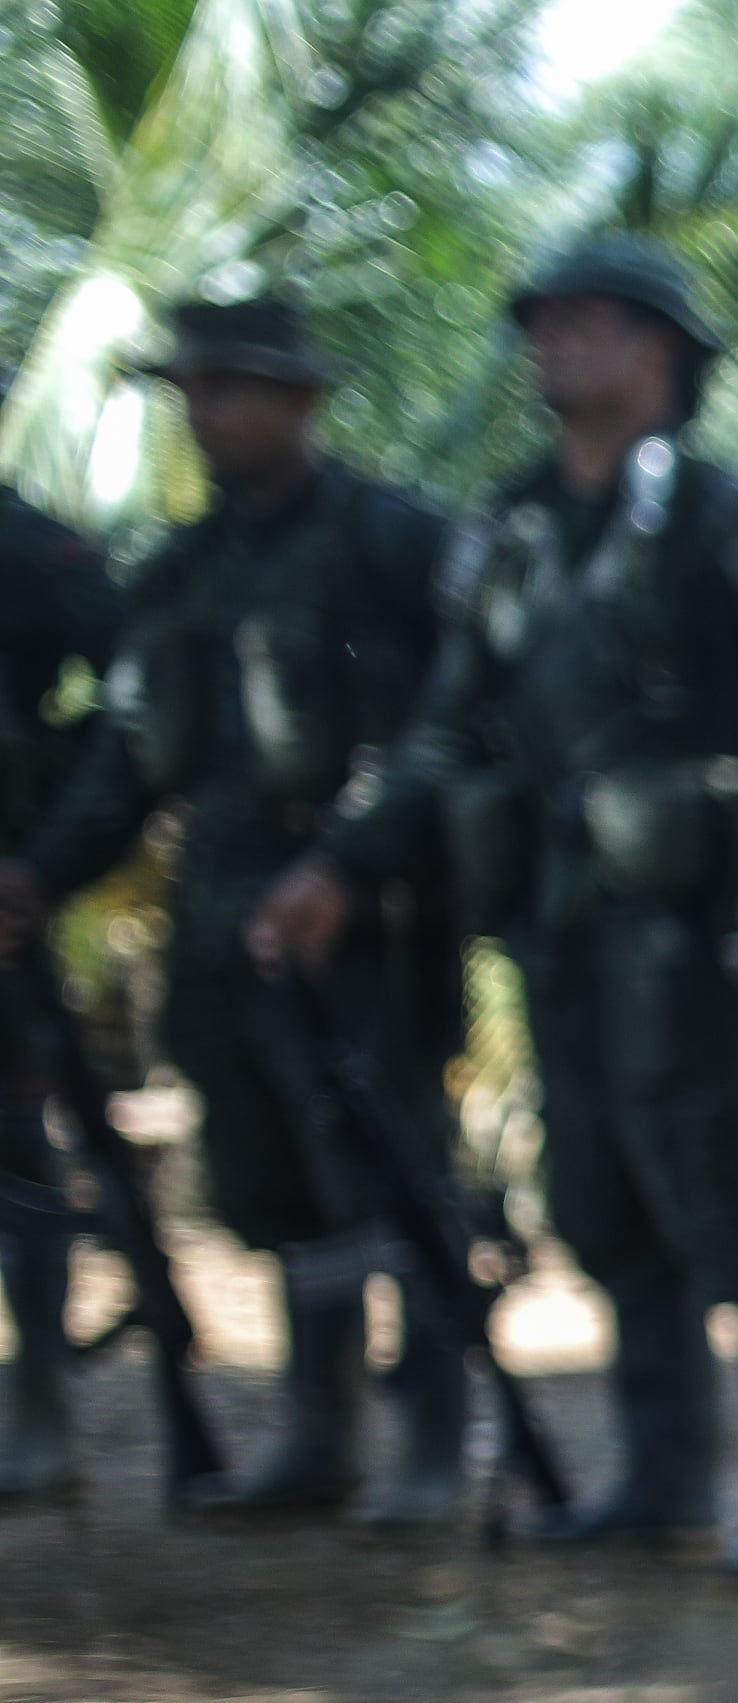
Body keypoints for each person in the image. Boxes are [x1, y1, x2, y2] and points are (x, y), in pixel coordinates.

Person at [266, 236, 738, 1574]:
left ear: (654, 352)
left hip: (699, 929)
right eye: (539, 323)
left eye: (578, 323)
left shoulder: (723, 521)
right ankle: (666, 1479)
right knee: (601, 1201)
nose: (545, 343)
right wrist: (340, 867)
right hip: (559, 921)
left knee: (737, 1209)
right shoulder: (511, 529)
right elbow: (443, 732)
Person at [6, 300, 465, 1527]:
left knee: (394, 1174)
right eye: (195, 393)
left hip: (361, 912)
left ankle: (433, 1444)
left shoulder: (392, 538)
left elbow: (458, 720)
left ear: (302, 399)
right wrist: (41, 875)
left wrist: (351, 864)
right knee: (272, 1180)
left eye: (235, 390)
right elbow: (132, 756)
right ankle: (322, 1437)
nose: (211, 416)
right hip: (220, 906)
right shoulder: (187, 571)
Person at [0, 490, 123, 1506]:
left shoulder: (30, 548)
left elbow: (142, 693)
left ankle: (40, 1401)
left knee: (13, 1150)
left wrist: (41, 852)